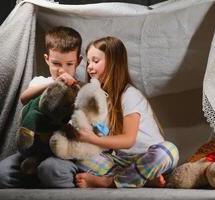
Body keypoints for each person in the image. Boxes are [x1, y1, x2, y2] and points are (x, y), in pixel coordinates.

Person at [74, 36, 179, 188]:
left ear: (113, 63)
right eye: (88, 62)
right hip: (120, 161)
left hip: (149, 157)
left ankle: (111, 182)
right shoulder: (97, 98)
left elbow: (128, 141)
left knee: (169, 150)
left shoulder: (129, 95)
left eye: (95, 61)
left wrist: (92, 139)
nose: (89, 67)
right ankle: (141, 178)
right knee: (78, 154)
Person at [0, 26, 83, 188]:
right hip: (33, 151)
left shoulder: (80, 90)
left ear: (78, 61)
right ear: (46, 59)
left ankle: (46, 177)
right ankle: (36, 176)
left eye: (69, 64)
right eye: (56, 63)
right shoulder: (41, 82)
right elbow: (24, 99)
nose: (62, 70)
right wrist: (53, 84)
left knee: (51, 170)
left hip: (60, 153)